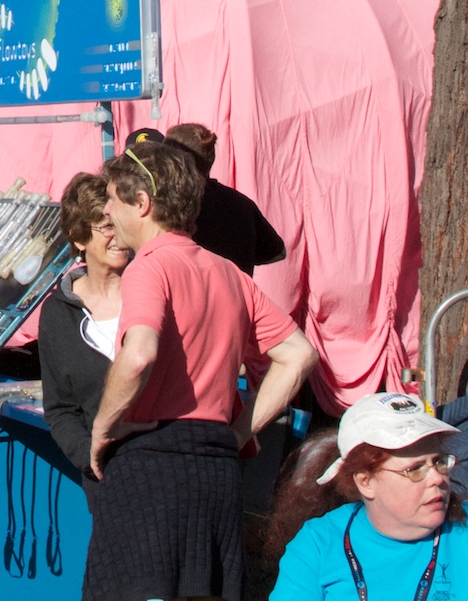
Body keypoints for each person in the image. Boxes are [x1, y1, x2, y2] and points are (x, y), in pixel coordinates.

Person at [84, 143, 317, 601]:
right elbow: (299, 353)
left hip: (151, 464)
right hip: (216, 468)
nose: (108, 210)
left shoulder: (149, 266)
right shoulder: (228, 272)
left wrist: (102, 426)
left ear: (142, 203)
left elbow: (138, 355)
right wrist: (239, 431)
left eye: (113, 198)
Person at [269, 393, 468, 600]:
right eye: (415, 469)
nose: (438, 478)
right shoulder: (317, 544)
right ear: (366, 482)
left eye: (439, 461)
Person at [38, 172, 132, 483]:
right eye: (106, 228)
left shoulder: (153, 292)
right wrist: (90, 458)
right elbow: (60, 408)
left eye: (120, 224)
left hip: (164, 467)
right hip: (106, 479)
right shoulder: (57, 313)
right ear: (78, 238)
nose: (117, 236)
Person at [137, 125, 286, 275]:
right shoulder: (241, 204)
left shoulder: (172, 204)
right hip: (237, 295)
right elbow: (276, 252)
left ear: (172, 160)